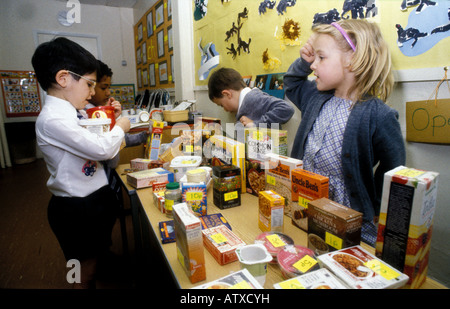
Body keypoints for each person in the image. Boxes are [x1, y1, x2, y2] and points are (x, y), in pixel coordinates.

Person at [283, 20, 406, 246]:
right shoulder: (315, 97)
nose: (313, 65)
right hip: (306, 203)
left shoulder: (379, 114)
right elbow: (291, 83)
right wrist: (304, 59)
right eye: (314, 58)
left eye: (321, 57)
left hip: (348, 215)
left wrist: (377, 206)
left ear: (352, 59)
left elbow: (393, 172)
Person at [32, 37, 131, 289]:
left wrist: (110, 117)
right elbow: (102, 148)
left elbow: (95, 139)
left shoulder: (73, 111)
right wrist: (120, 127)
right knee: (82, 273)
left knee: (95, 260)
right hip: (76, 209)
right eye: (89, 84)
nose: (91, 92)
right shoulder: (53, 119)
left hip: (94, 200)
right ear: (64, 78)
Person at [208, 67, 294, 129]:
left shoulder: (253, 98)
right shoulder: (243, 104)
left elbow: (286, 109)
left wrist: (255, 124)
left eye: (221, 105)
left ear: (227, 94)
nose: (225, 110)